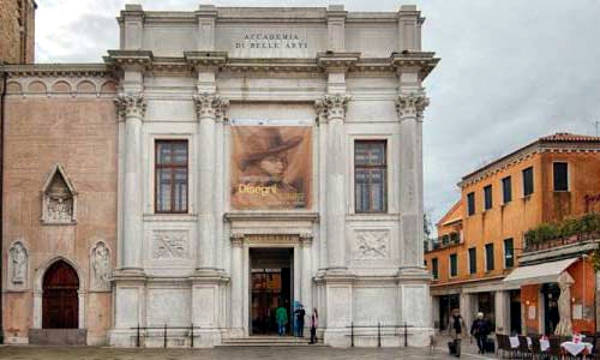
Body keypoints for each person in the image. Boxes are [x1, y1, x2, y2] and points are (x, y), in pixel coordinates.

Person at [232, 127, 307, 209]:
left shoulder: (288, 191)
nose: (281, 166)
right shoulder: (244, 196)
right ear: (257, 163)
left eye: (283, 159)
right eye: (273, 160)